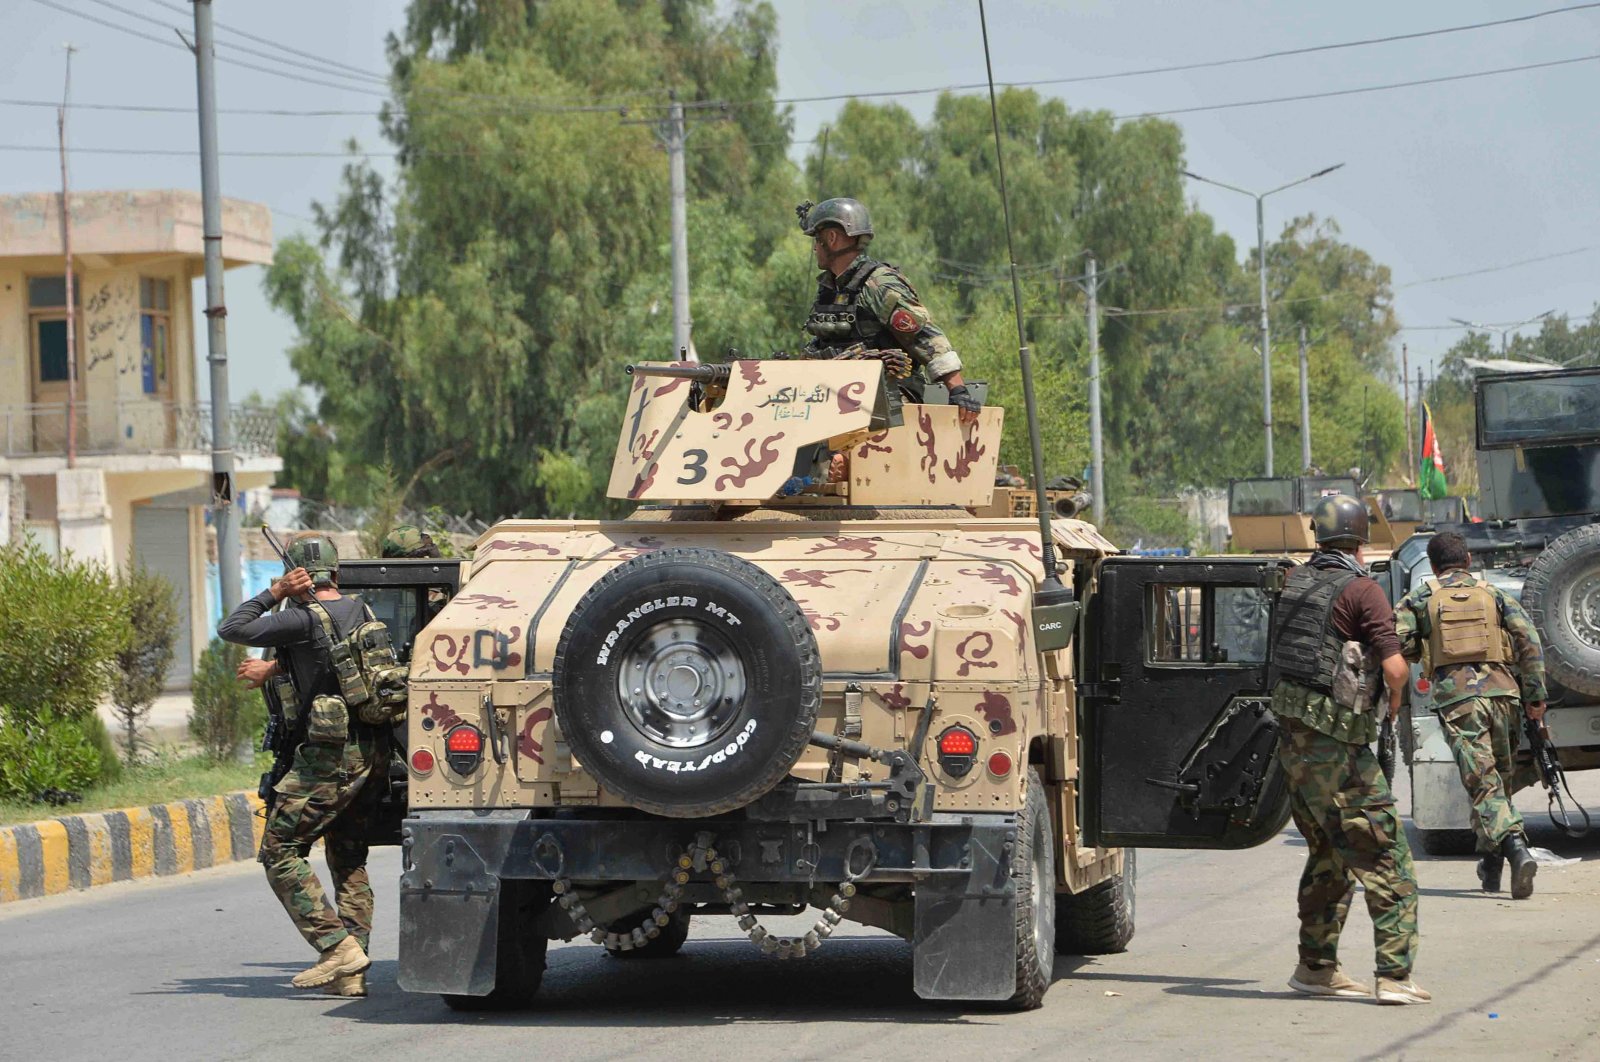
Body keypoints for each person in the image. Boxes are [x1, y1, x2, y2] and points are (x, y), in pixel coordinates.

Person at [1268, 494, 1429, 1005]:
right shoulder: (1362, 590)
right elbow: (1396, 668)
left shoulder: (1294, 582)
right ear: (1360, 541)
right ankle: (1395, 977)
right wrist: (1395, 700)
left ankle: (1316, 968)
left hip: (1293, 746)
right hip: (1339, 749)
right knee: (1388, 860)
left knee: (1328, 857)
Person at [219, 533, 387, 998]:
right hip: (372, 754)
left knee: (280, 850)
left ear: (297, 576)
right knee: (349, 859)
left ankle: (336, 946)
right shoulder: (363, 611)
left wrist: (272, 595)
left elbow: (232, 628)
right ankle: (352, 973)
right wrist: (276, 670)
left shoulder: (297, 619)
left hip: (328, 759)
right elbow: (331, 665)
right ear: (334, 573)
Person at [1395, 531, 1546, 898]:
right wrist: (1535, 697)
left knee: (1482, 783)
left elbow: (1398, 640)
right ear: (1467, 561)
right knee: (1496, 782)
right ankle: (1491, 869)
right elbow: (1529, 641)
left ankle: (1514, 848)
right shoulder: (1493, 594)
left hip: (1459, 700)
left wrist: (1426, 653)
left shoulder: (1419, 598)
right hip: (1504, 695)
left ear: (1433, 565)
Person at [796, 197, 980, 425]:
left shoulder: (878, 284)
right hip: (838, 398)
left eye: (817, 238)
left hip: (889, 402)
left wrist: (958, 391)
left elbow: (927, 338)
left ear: (831, 238)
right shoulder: (829, 289)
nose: (815, 247)